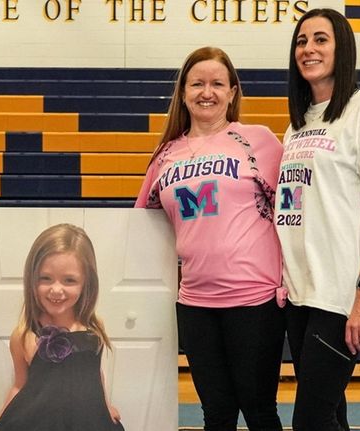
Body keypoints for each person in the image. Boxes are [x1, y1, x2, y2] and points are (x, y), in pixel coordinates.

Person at [135, 46, 286, 430]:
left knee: (258, 411)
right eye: (198, 83)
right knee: (215, 414)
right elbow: (142, 226)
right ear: (183, 92)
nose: (208, 92)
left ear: (233, 91)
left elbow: (292, 213)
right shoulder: (165, 155)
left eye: (218, 83)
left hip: (255, 299)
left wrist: (291, 277)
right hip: (195, 304)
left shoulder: (259, 141)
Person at [278, 8, 360, 430]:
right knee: (329, 417)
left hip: (340, 297)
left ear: (342, 47)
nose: (308, 49)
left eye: (320, 39)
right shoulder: (296, 126)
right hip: (299, 296)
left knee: (309, 422)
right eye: (301, 41)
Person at [0, 223, 124, 431]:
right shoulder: (24, 335)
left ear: (87, 282)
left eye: (69, 280)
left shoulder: (93, 328)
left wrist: (103, 406)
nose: (56, 289)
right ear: (32, 278)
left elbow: (96, 374)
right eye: (45, 278)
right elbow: (19, 385)